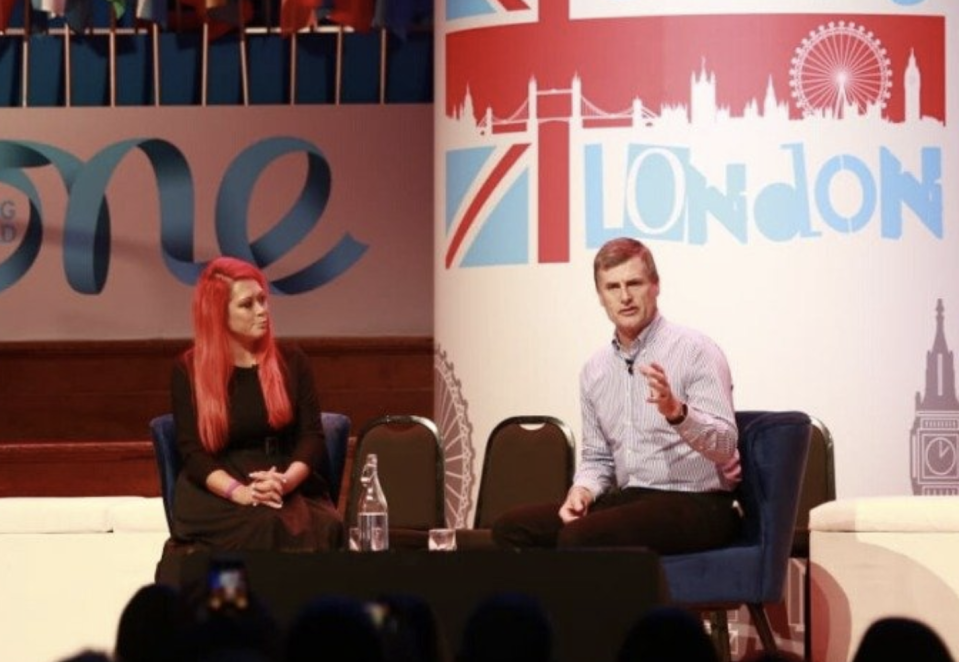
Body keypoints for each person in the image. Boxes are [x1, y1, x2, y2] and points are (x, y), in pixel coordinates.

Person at [493, 237, 741, 552]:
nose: (625, 297)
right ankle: (547, 603)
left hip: (701, 502)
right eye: (612, 287)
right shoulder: (595, 370)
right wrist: (582, 491)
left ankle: (587, 603)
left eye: (634, 283)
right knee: (513, 529)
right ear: (600, 296)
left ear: (656, 286)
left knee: (581, 537)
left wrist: (677, 412)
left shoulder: (696, 351)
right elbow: (597, 458)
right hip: (632, 498)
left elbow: (725, 446)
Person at [171, 256, 343, 551]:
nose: (262, 311)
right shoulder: (189, 369)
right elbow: (193, 452)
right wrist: (239, 492)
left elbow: (311, 437)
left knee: (330, 527)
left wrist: (285, 482)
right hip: (221, 488)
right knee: (264, 524)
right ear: (217, 313)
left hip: (281, 476)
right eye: (247, 304)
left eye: (263, 300)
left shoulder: (292, 361)